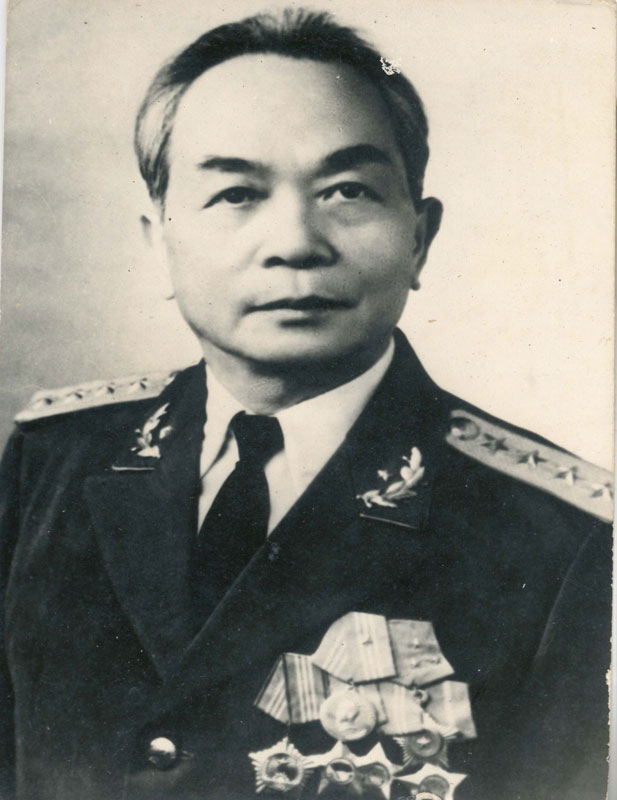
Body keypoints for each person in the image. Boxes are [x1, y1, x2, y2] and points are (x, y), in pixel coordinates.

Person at [0, 8, 611, 800]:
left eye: (347, 191)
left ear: (419, 238)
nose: (294, 242)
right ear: (158, 239)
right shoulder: (52, 461)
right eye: (235, 193)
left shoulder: (563, 538)